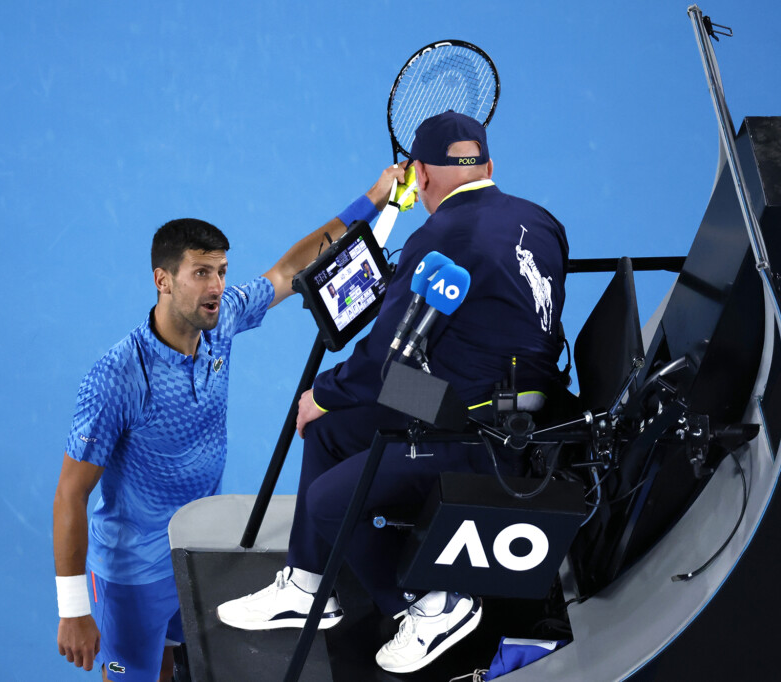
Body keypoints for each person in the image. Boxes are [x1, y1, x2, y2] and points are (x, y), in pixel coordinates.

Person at [217, 111, 570, 674]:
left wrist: (323, 393)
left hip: (473, 425)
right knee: (333, 432)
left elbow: (382, 363)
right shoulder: (542, 221)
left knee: (332, 491)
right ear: (487, 165)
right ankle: (307, 585)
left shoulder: (440, 236)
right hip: (513, 404)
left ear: (422, 178)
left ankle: (433, 606)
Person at [52, 168, 405, 682]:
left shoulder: (221, 322)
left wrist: (372, 200)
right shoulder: (119, 377)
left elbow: (290, 269)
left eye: (220, 270)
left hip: (196, 545)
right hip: (134, 576)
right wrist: (73, 608)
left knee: (180, 658)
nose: (217, 286)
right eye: (201, 272)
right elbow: (69, 494)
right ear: (163, 279)